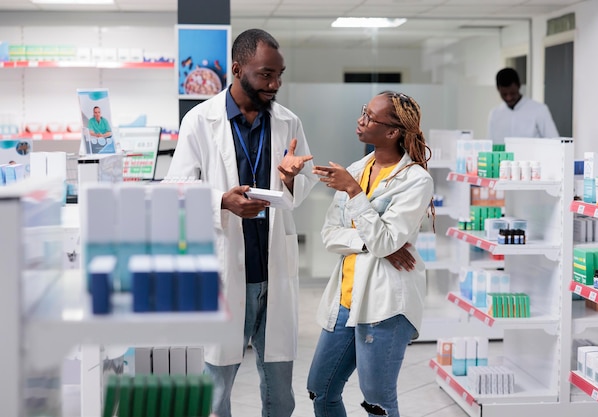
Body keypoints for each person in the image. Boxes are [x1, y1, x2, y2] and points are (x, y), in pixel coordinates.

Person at [167, 28, 316, 417]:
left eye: (279, 75)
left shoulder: (288, 122)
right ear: (237, 68)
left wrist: (290, 177)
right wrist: (221, 201)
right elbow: (175, 190)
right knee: (217, 388)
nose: (275, 84)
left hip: (274, 271)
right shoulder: (200, 121)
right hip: (226, 270)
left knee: (280, 390)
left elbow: (303, 182)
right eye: (266, 74)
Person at [307, 91, 434, 417]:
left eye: (369, 117)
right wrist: (374, 245)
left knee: (377, 402)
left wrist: (353, 191)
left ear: (392, 132)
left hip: (385, 305)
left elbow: (386, 241)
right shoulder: (356, 168)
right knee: (320, 390)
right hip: (346, 298)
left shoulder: (416, 180)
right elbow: (330, 234)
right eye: (363, 111)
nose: (360, 120)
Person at [487, 67, 559, 144]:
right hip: (502, 156)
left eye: (512, 93)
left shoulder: (539, 110)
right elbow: (490, 145)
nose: (509, 98)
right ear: (498, 89)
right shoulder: (494, 114)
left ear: (519, 86)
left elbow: (554, 143)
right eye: (504, 94)